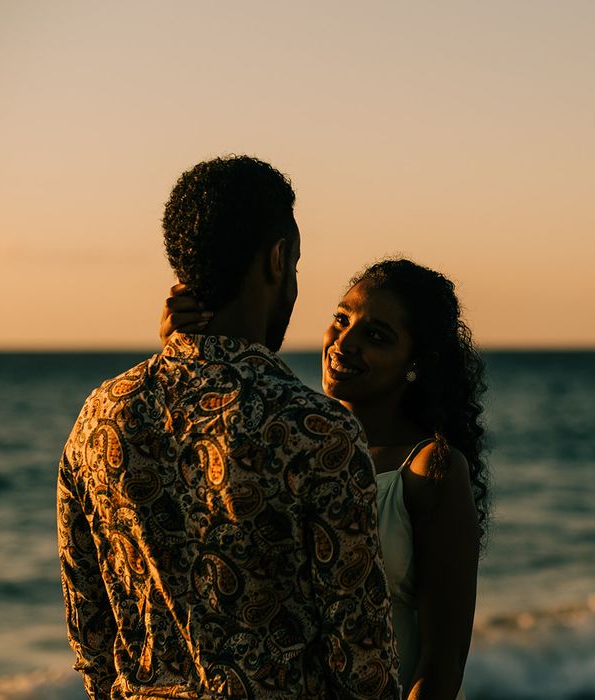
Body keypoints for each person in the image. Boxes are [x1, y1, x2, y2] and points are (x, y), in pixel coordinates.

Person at [57, 156, 402, 700]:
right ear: (278, 258)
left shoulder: (98, 419)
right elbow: (363, 667)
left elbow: (92, 642)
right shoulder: (318, 433)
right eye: (295, 265)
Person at [162, 258, 489, 699]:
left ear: (416, 363)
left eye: (375, 336)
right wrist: (180, 351)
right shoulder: (294, 442)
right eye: (341, 319)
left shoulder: (430, 469)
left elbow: (443, 663)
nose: (344, 342)